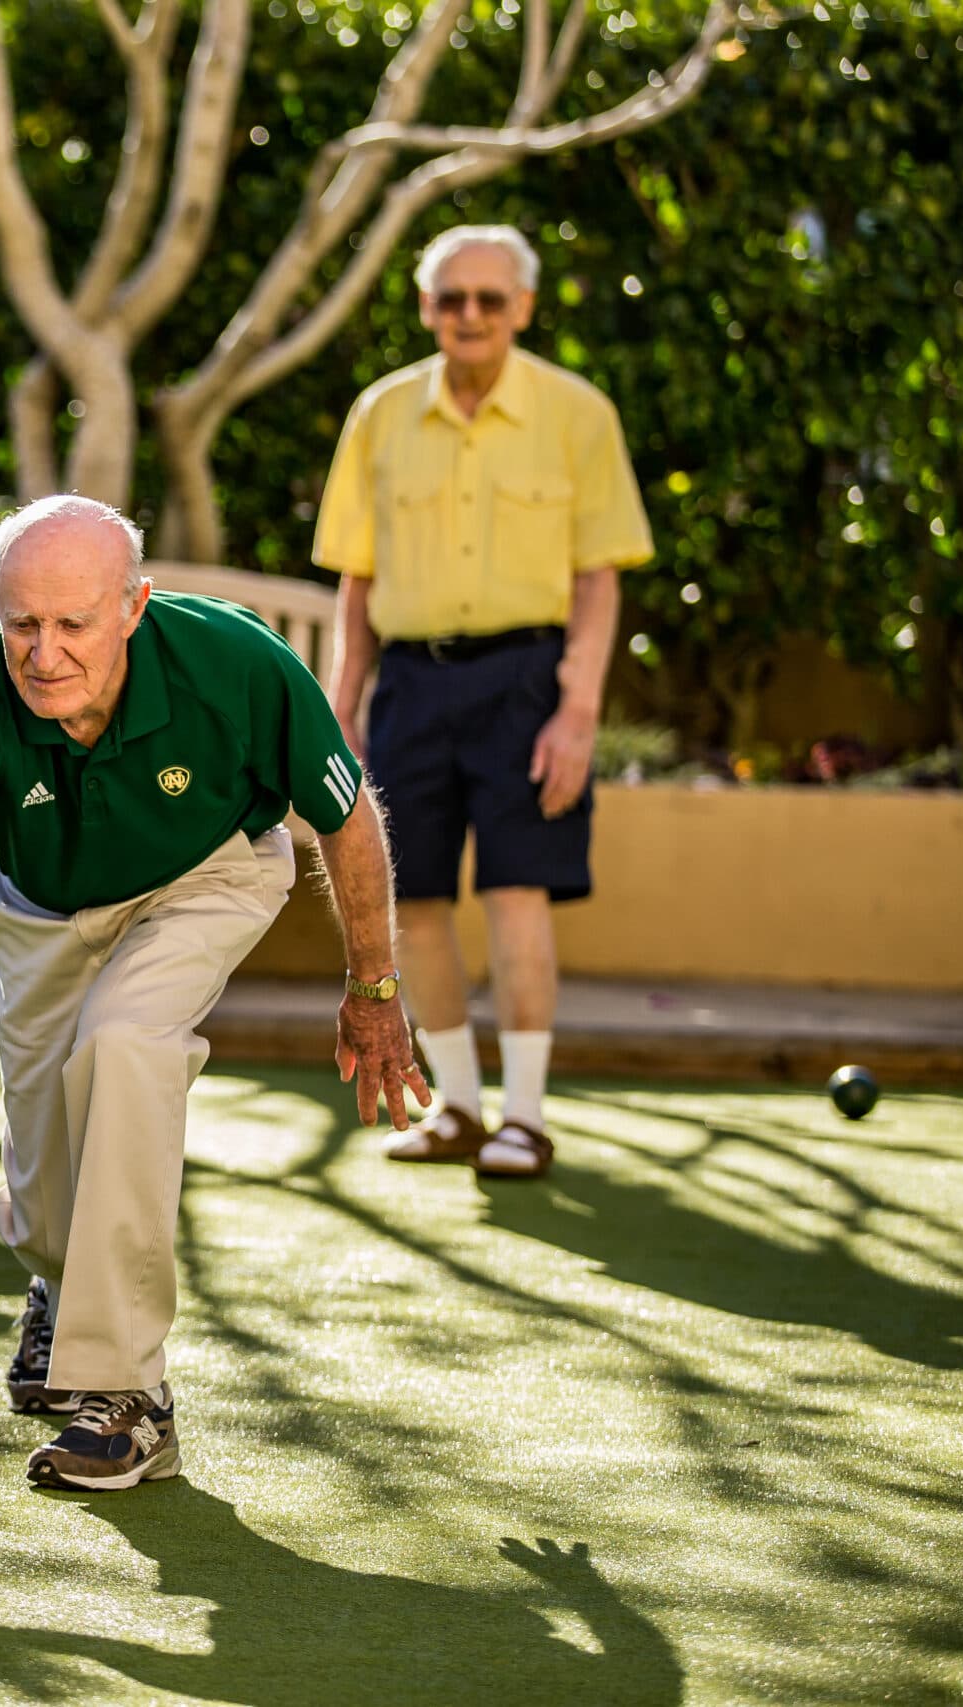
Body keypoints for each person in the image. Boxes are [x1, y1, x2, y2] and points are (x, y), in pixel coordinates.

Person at [0, 496, 429, 1492]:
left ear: (134, 606)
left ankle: (129, 1399)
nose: (42, 654)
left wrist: (375, 984)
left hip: (207, 874)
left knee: (126, 1041)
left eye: (73, 625)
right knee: (47, 1190)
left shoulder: (237, 665)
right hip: (45, 908)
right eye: (21, 625)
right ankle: (57, 1283)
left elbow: (348, 820)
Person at [312, 224, 655, 1181]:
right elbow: (356, 581)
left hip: (528, 684)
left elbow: (598, 579)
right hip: (413, 685)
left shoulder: (577, 413)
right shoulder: (379, 415)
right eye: (451, 298)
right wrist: (342, 706)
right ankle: (458, 1105)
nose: (469, 315)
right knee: (412, 897)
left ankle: (527, 1117)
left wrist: (577, 708)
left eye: (489, 300)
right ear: (425, 307)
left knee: (516, 891)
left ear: (523, 310)